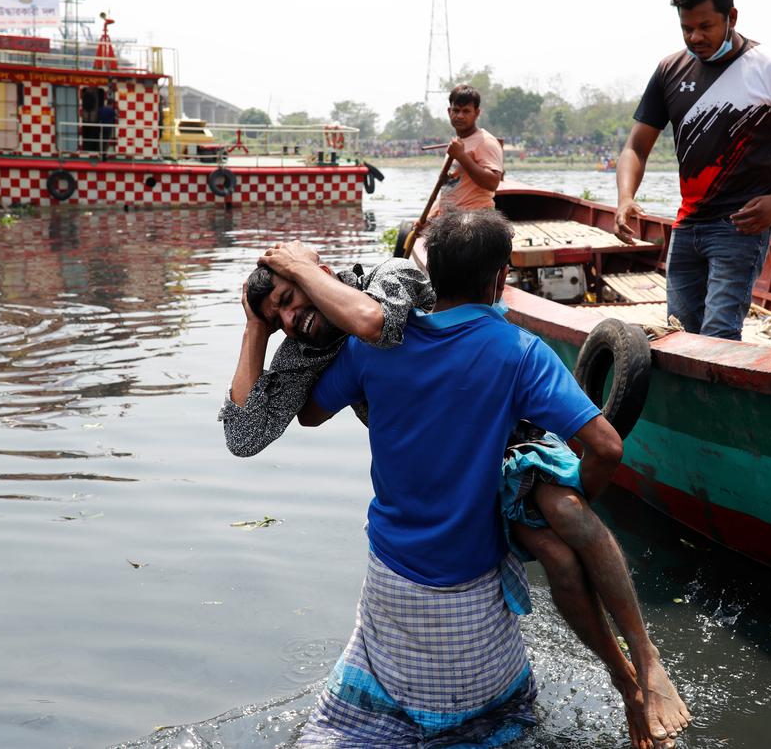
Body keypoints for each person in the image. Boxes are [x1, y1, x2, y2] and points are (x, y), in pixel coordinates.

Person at [223, 214, 690, 747]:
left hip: (441, 524)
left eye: (291, 296)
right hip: (477, 516)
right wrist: (259, 326)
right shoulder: (515, 349)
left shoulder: (374, 320)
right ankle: (634, 671)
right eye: (277, 312)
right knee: (561, 542)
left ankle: (638, 669)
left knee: (561, 525)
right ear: (499, 280)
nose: (291, 316)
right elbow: (606, 447)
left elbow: (322, 395)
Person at [615, 0, 771, 340]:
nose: (695, 38)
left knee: (719, 335)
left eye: (706, 26)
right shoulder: (670, 70)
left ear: (731, 16)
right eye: (686, 28)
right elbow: (636, 147)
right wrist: (625, 197)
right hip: (688, 226)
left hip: (741, 227)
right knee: (679, 334)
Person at [429, 83, 504, 216]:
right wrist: (428, 218)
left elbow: (493, 183)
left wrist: (462, 156)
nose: (460, 116)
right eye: (456, 110)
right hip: (449, 219)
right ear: (449, 112)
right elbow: (448, 189)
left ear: (477, 113)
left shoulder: (485, 141)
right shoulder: (457, 144)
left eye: (466, 111)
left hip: (475, 219)